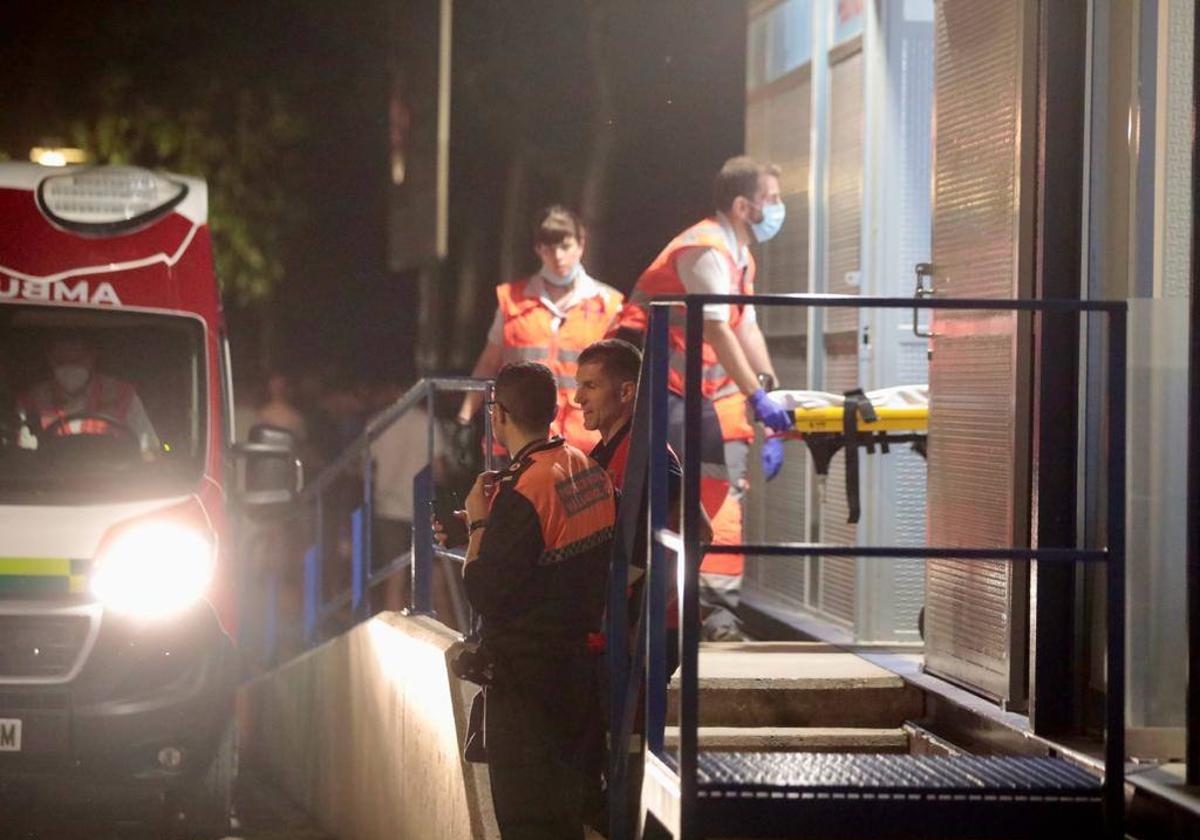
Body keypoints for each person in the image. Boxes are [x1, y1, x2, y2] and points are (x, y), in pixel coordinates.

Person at [609, 155, 794, 638]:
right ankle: (645, 614)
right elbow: (715, 326)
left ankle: (709, 616)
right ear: (741, 205)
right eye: (771, 199)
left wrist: (772, 394)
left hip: (692, 397)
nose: (779, 208)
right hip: (654, 391)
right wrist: (756, 398)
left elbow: (745, 327)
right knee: (663, 502)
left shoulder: (739, 256)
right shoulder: (706, 250)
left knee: (715, 498)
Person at [457, 361, 617, 840]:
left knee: (527, 819)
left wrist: (479, 525)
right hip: (579, 670)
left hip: (527, 681)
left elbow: (486, 591)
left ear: (498, 414)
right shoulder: (586, 467)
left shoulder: (525, 490)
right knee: (565, 813)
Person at [455, 206, 624, 458]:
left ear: (581, 244)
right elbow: (488, 363)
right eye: (549, 248)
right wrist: (464, 419)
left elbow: (620, 379)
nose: (558, 256)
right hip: (518, 442)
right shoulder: (512, 300)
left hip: (585, 444)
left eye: (565, 246)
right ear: (538, 250)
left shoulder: (609, 305)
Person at [18, 333, 160, 452]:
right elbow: (22, 454)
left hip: (113, 479)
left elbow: (149, 448)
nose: (69, 368)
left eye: (76, 360)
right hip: (48, 480)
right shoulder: (32, 399)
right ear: (49, 359)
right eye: (61, 361)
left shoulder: (122, 394)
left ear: (93, 356)